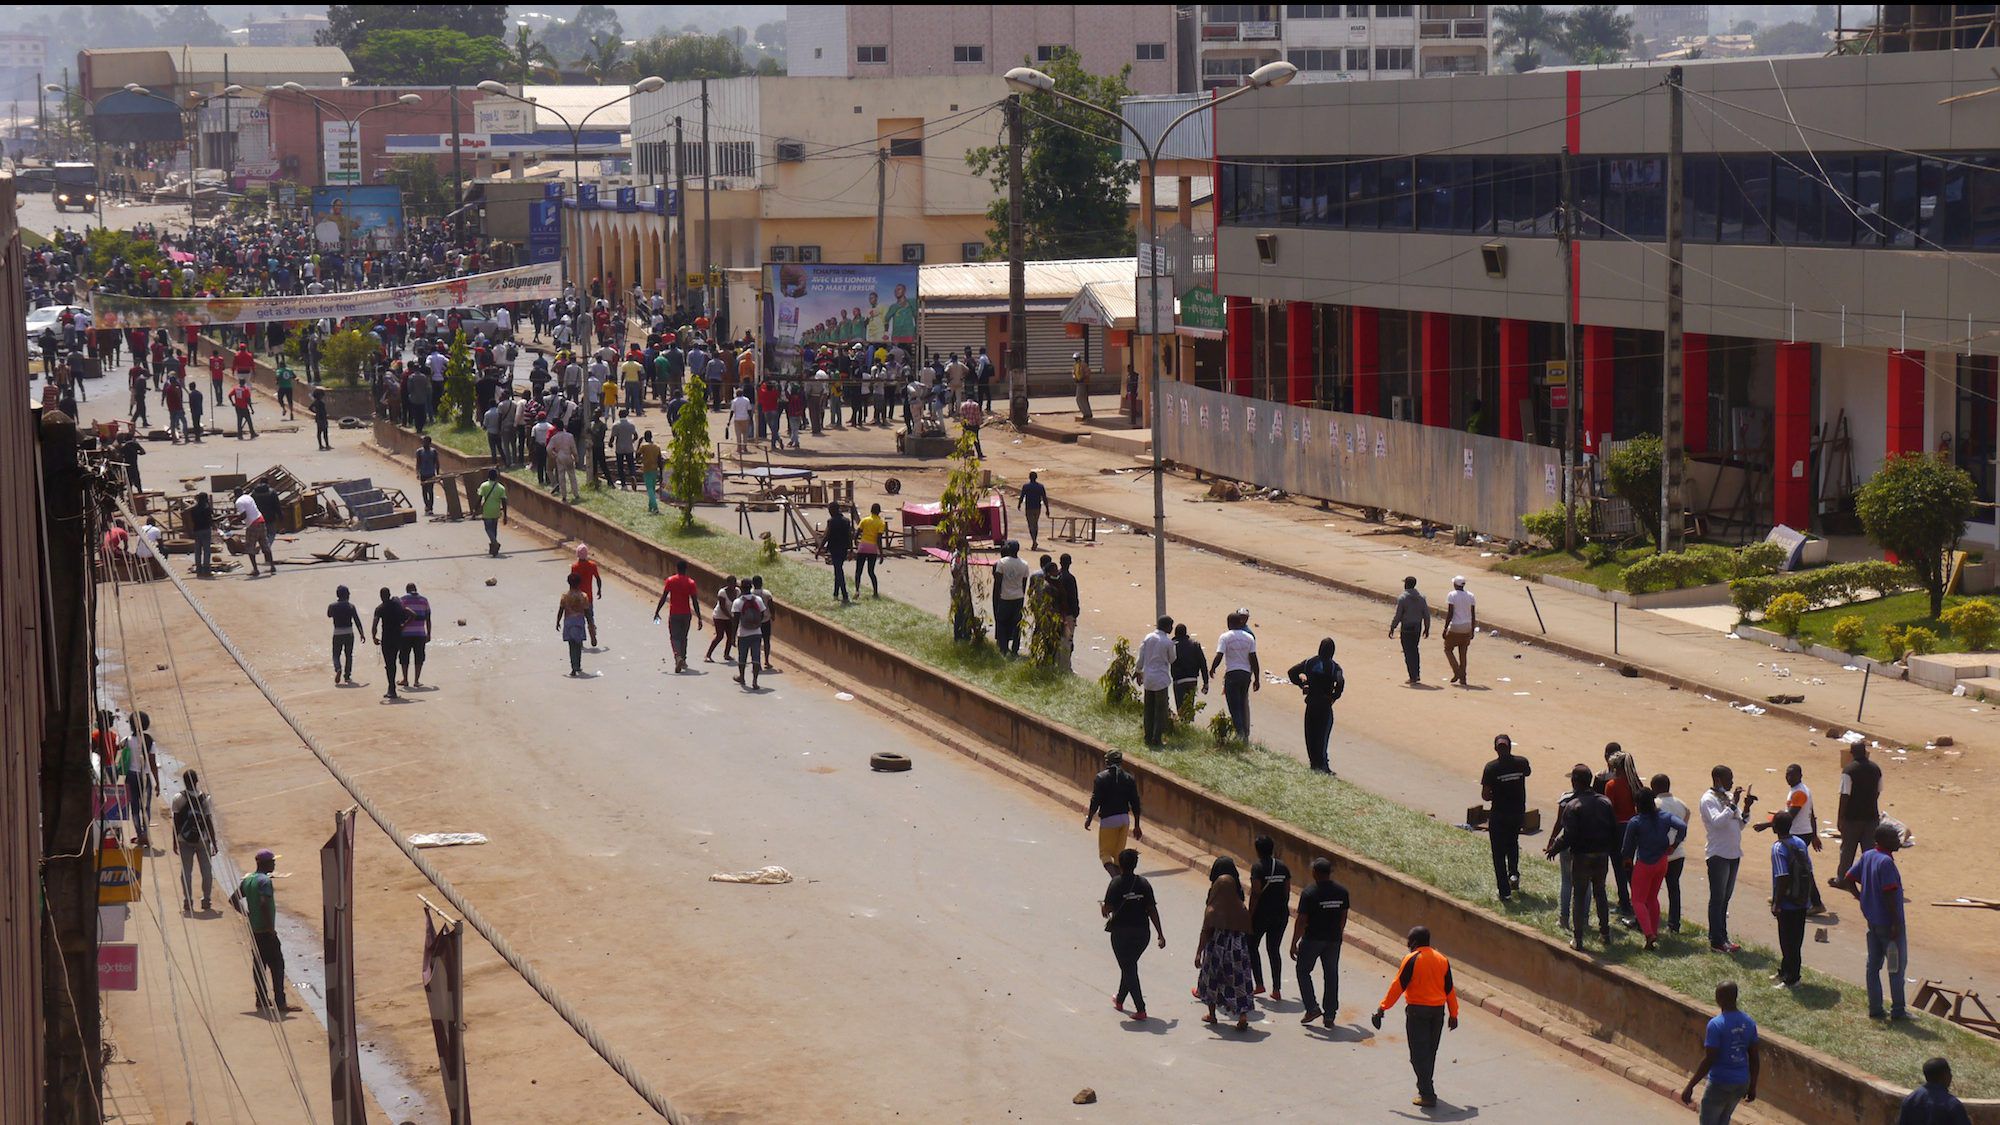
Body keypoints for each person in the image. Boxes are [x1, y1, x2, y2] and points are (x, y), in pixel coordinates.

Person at [1371, 926, 1459, 1108]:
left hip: (1418, 1012)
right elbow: (1449, 988)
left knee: (1417, 1056)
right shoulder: (1442, 959)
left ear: (1416, 942)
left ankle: (1427, 1093)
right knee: (1429, 1052)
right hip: (1438, 1013)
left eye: (1409, 941)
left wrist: (1382, 1008)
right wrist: (1453, 1013)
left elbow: (1398, 986)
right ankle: (1425, 1087)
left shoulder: (1411, 959)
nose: (1407, 944)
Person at [1547, 763, 1617, 950]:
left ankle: (1578, 940)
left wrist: (1554, 848)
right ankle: (1605, 933)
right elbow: (1613, 829)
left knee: (1579, 895)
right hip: (1602, 856)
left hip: (1582, 857)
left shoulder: (1573, 805)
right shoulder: (1605, 802)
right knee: (1600, 893)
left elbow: (1569, 836)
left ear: (1574, 782)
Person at [1850, 822, 1909, 1020]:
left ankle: (1875, 1009)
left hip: (1872, 923)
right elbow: (1890, 895)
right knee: (1895, 969)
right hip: (1890, 928)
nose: (1898, 841)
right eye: (1894, 838)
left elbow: (1849, 878)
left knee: (1873, 967)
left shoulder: (1868, 856)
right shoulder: (1886, 863)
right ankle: (1898, 1011)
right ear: (1882, 840)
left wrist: (1861, 897)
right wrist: (1895, 924)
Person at [1101, 847, 1166, 1023]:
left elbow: (1107, 910)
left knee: (1128, 967)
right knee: (1129, 965)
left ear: (1120, 865)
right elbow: (1152, 909)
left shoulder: (1115, 883)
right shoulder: (1144, 883)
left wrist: (1103, 908)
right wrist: (1160, 934)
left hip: (1121, 934)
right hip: (1142, 935)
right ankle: (1120, 1000)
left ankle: (1141, 1009)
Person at [1680, 981, 1758, 1125]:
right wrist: (1752, 1086)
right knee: (1723, 1119)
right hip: (1741, 1083)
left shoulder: (1716, 1024)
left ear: (1719, 998)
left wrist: (1690, 1085)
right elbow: (1754, 1058)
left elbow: (1709, 1059)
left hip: (1720, 1082)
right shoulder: (1749, 1023)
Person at [230, 849, 296, 1013]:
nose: (274, 864)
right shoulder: (265, 881)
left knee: (259, 965)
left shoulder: (248, 879)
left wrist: (247, 914)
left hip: (255, 930)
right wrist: (270, 928)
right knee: (277, 965)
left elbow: (233, 899)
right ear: (265, 863)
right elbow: (264, 904)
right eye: (272, 861)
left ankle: (261, 999)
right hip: (265, 931)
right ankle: (280, 1002)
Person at [1195, 857, 1257, 1032]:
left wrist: (1199, 953)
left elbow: (1205, 930)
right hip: (1237, 947)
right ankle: (1242, 1016)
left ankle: (1212, 1014)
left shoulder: (1213, 909)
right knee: (1239, 981)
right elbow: (1247, 930)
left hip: (1217, 945)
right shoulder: (1241, 907)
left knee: (1211, 980)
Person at [1699, 766, 1756, 953]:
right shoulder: (1708, 799)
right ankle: (1716, 940)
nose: (1732, 782)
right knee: (1717, 898)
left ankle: (1722, 937)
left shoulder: (1728, 797)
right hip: (1718, 855)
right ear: (1717, 778)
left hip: (1733, 854)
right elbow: (1717, 822)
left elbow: (1740, 825)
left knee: (1725, 899)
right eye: (1728, 778)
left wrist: (1745, 807)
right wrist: (1733, 804)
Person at [1621, 789, 1686, 950]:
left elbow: (1626, 848)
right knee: (1651, 898)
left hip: (1645, 864)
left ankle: (1649, 934)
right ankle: (1654, 931)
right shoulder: (1665, 817)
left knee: (1637, 900)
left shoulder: (1636, 822)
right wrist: (1674, 845)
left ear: (1637, 805)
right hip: (1662, 862)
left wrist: (1626, 861)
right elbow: (1682, 826)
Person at [1289, 856, 1350, 1027]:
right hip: (1333, 940)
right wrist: (1338, 933)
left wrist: (1294, 942)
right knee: (1331, 975)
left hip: (1312, 939)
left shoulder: (1310, 892)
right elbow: (1343, 916)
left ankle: (1312, 1008)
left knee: (1302, 971)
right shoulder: (1342, 892)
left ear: (1315, 873)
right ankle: (1330, 1014)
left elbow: (1301, 920)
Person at [1481, 734, 1532, 901]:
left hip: (1499, 815)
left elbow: (1486, 796)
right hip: (1517, 813)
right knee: (1512, 843)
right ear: (1510, 747)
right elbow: (1527, 772)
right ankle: (1514, 875)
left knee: (1498, 853)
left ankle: (1504, 892)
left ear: (1495, 749)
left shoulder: (1491, 768)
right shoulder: (1521, 762)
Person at [1768, 807, 1813, 989]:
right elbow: (1808, 869)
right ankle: (1785, 971)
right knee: (1795, 939)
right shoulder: (1800, 843)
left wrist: (1777, 903)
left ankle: (1792, 979)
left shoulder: (1778, 848)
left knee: (1788, 941)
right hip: (1801, 899)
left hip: (1787, 903)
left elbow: (1782, 877)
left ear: (1774, 827)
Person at [1286, 638, 1345, 774]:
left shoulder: (1310, 662)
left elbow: (1292, 672)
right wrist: (1334, 697)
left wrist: (1302, 683)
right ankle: (1323, 766)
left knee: (1310, 734)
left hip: (1311, 703)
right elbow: (1340, 683)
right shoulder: (1334, 667)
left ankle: (1314, 764)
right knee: (1322, 735)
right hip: (1324, 705)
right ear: (1332, 652)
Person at [1246, 835, 1292, 1000]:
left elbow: (1256, 893)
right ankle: (1276, 989)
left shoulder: (1257, 868)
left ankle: (1259, 984)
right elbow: (1287, 892)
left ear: (1257, 850)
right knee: (1274, 950)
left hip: (1261, 915)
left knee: (1252, 946)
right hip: (1280, 915)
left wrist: (1249, 916)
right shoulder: (1283, 867)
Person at [1835, 742, 1884, 890]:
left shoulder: (1848, 771)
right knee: (1869, 852)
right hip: (1871, 817)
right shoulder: (1876, 769)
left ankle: (1842, 879)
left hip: (1852, 818)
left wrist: (1840, 818)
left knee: (1847, 850)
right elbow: (1878, 791)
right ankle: (1870, 882)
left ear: (1851, 753)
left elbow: (1844, 796)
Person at [1085, 750, 1142, 876]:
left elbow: (1095, 800)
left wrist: (1089, 818)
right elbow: (1135, 802)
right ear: (1121, 762)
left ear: (1107, 762)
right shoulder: (1129, 778)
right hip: (1124, 820)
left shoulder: (1101, 777)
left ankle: (1117, 883)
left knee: (1105, 855)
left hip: (1109, 820)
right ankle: (1121, 884)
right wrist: (1137, 825)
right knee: (1118, 858)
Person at [1601, 745, 1642, 921]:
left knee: (1619, 868)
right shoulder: (1636, 782)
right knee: (1629, 867)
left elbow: (1609, 810)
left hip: (1618, 829)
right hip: (1634, 827)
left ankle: (1624, 904)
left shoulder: (1612, 785)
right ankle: (1639, 901)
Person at [1207, 610, 1260, 741]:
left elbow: (1219, 655)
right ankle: (1244, 733)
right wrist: (1257, 679)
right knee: (1242, 702)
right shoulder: (1249, 637)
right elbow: (1254, 659)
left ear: (1229, 623)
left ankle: (1240, 733)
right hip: (1246, 675)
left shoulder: (1225, 637)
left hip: (1232, 674)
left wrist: (1213, 668)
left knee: (1233, 705)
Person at [170, 769, 217, 913]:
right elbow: (208, 821)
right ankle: (206, 900)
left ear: (184, 782)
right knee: (206, 871)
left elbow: (176, 822)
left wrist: (175, 840)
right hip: (203, 839)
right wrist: (213, 842)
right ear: (197, 781)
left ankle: (187, 901)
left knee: (186, 871)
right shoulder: (205, 798)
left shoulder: (178, 798)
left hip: (184, 839)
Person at [1652, 773, 1692, 933]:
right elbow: (1685, 821)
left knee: (1651, 890)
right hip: (1678, 852)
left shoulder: (1655, 804)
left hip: (1658, 854)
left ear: (1655, 788)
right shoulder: (1682, 805)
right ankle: (1674, 925)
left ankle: (1649, 921)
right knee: (1674, 889)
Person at [651, 559, 703, 673]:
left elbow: (664, 597)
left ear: (677, 568)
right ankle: (683, 659)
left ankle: (677, 656)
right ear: (686, 569)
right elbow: (695, 601)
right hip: (686, 614)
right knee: (684, 637)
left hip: (674, 613)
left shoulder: (670, 580)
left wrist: (657, 611)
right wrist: (699, 617)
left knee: (674, 637)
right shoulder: (691, 583)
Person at [120, 712, 158, 850]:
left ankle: (139, 834)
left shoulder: (128, 740)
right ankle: (146, 834)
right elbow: (153, 763)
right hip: (145, 776)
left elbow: (118, 747)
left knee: (134, 807)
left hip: (131, 776)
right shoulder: (149, 741)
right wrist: (157, 782)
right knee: (146, 807)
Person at [1137, 616, 1176, 746]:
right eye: (1171, 626)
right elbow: (1172, 659)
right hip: (1161, 680)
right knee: (1161, 710)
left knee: (1148, 709)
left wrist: (1138, 671)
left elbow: (1140, 657)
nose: (1171, 628)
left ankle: (1147, 737)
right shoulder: (1167, 642)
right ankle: (1157, 738)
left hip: (1148, 678)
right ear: (1166, 626)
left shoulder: (1148, 638)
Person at [1899, 1058, 1972, 1125]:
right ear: (1944, 1076)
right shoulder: (1952, 1105)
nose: (1951, 1076)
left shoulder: (1910, 1099)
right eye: (1949, 1072)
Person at [1388, 576, 1429, 684]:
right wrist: (1427, 628)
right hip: (1417, 628)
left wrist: (1393, 627)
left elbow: (1398, 615)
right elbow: (1426, 615)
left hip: (1406, 628)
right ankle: (1417, 673)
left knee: (1408, 652)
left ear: (1406, 584)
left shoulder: (1403, 598)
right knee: (1415, 650)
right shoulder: (1421, 598)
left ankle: (1412, 676)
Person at [992, 541, 1030, 657]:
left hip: (1005, 597)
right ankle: (1015, 649)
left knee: (1002, 623)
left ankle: (1003, 649)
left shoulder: (1002, 563)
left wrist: (997, 599)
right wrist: (1021, 595)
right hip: (1018, 598)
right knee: (1016, 624)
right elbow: (1024, 584)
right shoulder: (1024, 564)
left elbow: (998, 583)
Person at [732, 575, 770, 689]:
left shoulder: (738, 602)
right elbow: (762, 614)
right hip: (757, 632)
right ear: (751, 587)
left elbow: (735, 620)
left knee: (742, 657)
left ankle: (742, 677)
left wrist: (732, 637)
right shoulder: (758, 600)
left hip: (743, 633)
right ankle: (755, 681)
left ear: (741, 587)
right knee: (756, 657)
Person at [371, 587, 408, 701]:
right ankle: (391, 688)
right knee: (394, 662)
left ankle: (391, 688)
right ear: (389, 594)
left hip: (387, 638)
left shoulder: (380, 608)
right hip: (398, 637)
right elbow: (411, 614)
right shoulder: (397, 606)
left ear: (381, 596)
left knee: (389, 663)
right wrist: (403, 625)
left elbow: (374, 625)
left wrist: (374, 637)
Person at [1442, 575, 1477, 685]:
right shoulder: (1471, 596)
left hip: (1455, 626)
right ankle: (1463, 678)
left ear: (1455, 584)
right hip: (1467, 626)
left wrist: (1445, 628)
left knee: (1448, 649)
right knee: (1463, 653)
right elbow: (1473, 614)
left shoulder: (1452, 595)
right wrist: (1472, 629)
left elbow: (1450, 613)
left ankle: (1457, 671)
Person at [398, 582, 432, 688]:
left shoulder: (402, 600)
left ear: (407, 590)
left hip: (405, 634)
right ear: (416, 589)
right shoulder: (424, 600)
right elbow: (428, 619)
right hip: (420, 633)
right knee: (419, 657)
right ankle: (416, 681)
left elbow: (398, 617)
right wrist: (429, 633)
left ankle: (405, 679)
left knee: (404, 657)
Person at [1170, 623, 1209, 717]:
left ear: (1175, 633)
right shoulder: (1195, 644)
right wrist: (1206, 682)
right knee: (1189, 707)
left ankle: (1184, 728)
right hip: (1192, 680)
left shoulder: (1172, 645)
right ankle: (1188, 726)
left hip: (1179, 681)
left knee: (1181, 709)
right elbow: (1203, 663)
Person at [327, 584, 363, 684]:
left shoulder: (333, 606)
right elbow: (357, 621)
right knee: (349, 655)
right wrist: (362, 633)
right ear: (347, 595)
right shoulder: (351, 606)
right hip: (349, 633)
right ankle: (347, 676)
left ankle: (338, 668)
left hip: (337, 632)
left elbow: (329, 615)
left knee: (336, 654)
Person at [558, 573, 592, 677]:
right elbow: (587, 611)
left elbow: (561, 609)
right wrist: (590, 623)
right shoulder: (584, 596)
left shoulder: (565, 596)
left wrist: (557, 621)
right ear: (579, 583)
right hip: (579, 622)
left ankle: (573, 668)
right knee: (578, 644)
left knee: (571, 645)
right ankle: (577, 665)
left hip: (568, 622)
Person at [571, 546, 603, 648]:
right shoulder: (592, 566)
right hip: (588, 597)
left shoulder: (575, 567)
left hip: (578, 597)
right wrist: (599, 590)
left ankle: (580, 638)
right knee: (590, 617)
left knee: (579, 619)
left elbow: (572, 581)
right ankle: (592, 633)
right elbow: (598, 579)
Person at [235, 489, 272, 578]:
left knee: (250, 547)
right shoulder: (248, 497)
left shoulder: (238, 502)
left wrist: (235, 521)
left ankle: (255, 569)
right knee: (265, 545)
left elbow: (244, 515)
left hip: (252, 524)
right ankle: (272, 566)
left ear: (235, 494)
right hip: (261, 520)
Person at [824, 502, 854, 605]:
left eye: (829, 510)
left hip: (834, 549)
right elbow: (849, 536)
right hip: (843, 549)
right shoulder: (846, 521)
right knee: (838, 569)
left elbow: (827, 536)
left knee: (838, 571)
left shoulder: (831, 521)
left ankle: (845, 594)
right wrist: (851, 550)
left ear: (833, 510)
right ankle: (836, 593)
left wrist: (820, 549)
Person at [705, 576, 739, 664]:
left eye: (735, 583)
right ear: (727, 583)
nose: (733, 585)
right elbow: (722, 607)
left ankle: (726, 654)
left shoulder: (738, 591)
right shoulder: (722, 593)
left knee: (730, 636)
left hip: (730, 617)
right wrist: (731, 617)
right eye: (731, 583)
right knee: (719, 636)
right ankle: (708, 655)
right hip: (719, 617)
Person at [477, 469, 508, 557]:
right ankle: (493, 549)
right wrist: (505, 515)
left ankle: (495, 543)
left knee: (488, 529)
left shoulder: (484, 485)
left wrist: (475, 509)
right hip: (496, 511)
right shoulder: (501, 488)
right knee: (494, 530)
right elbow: (504, 502)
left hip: (487, 511)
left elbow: (479, 498)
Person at [1017, 470, 1050, 550]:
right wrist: (1047, 509)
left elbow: (1022, 496)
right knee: (1035, 524)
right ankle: (1034, 540)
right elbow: (1044, 498)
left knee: (1031, 525)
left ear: (1029, 478)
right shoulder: (1040, 486)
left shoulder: (1026, 486)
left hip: (1029, 508)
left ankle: (1034, 541)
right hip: (1037, 508)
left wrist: (1019, 504)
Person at [188, 493, 215, 577]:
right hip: (206, 530)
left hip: (197, 530)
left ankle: (198, 568)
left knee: (198, 550)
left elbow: (192, 519)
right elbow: (211, 517)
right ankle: (206, 568)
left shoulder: (193, 509)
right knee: (206, 550)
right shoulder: (206, 508)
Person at [638, 429, 663, 513]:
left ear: (645, 437)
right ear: (651, 437)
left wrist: (638, 443)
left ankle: (655, 507)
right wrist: (661, 473)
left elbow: (636, 456)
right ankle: (650, 507)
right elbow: (660, 460)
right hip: (655, 469)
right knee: (652, 488)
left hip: (647, 469)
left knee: (649, 490)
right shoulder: (657, 446)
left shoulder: (643, 446)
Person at [415, 435, 441, 516]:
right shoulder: (419, 452)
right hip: (423, 474)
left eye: (425, 442)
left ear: (429, 443)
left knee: (430, 491)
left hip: (431, 474)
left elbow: (437, 463)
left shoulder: (433, 452)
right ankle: (426, 506)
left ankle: (430, 507)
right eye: (422, 441)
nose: (423, 443)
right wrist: (418, 473)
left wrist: (437, 473)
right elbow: (418, 463)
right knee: (424, 491)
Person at [1071, 352, 1093, 420]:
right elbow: (1073, 373)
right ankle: (1086, 413)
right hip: (1079, 383)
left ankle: (1087, 413)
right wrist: (1075, 378)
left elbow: (1087, 373)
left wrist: (1083, 379)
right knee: (1080, 399)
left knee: (1081, 398)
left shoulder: (1083, 365)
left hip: (1083, 383)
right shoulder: (1075, 365)